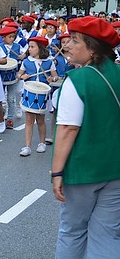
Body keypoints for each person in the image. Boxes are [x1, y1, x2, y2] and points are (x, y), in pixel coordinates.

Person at [51, 16, 120, 259]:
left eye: (74, 40)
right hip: (115, 169)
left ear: (92, 47)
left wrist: (56, 172)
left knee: (72, 231)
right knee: (108, 234)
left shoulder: (77, 80)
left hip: (83, 171)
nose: (67, 45)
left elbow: (68, 129)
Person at [16, 36, 57, 157]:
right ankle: (27, 146)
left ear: (40, 48)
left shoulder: (49, 62)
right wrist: (21, 77)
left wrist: (52, 78)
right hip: (30, 92)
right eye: (29, 47)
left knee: (40, 120)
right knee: (29, 120)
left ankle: (41, 143)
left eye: (32, 47)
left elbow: (56, 76)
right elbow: (19, 74)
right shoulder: (26, 62)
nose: (29, 49)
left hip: (42, 94)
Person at [0, 26, 23, 129]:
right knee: (0, 98)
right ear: (3, 38)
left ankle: (10, 118)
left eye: (13, 36)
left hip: (13, 74)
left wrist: (23, 56)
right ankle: (1, 115)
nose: (12, 39)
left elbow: (24, 55)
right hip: (0, 75)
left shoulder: (17, 47)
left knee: (11, 97)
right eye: (9, 37)